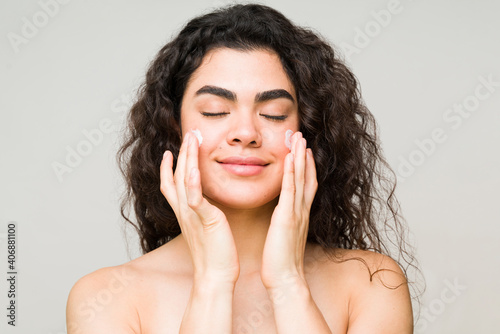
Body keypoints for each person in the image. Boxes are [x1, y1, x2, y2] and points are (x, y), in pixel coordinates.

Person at [67, 3, 420, 333]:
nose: (246, 134)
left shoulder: (371, 282)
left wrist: (287, 281)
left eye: (274, 114)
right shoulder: (106, 298)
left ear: (304, 130)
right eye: (215, 111)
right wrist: (213, 281)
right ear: (174, 126)